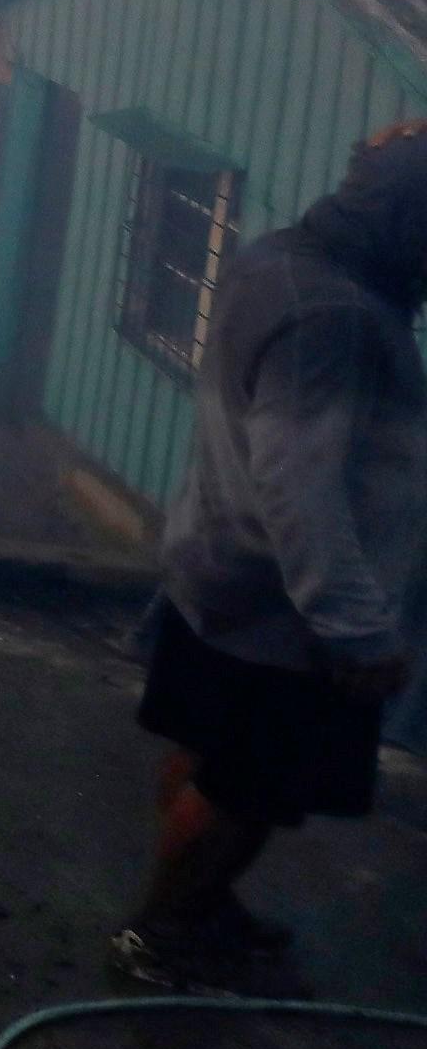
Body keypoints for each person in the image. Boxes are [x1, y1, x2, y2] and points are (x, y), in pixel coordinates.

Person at [115, 121, 427, 985]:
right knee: (244, 793)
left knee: (211, 757)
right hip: (283, 615)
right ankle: (160, 932)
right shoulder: (336, 315)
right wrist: (355, 628)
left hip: (223, 571)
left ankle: (200, 905)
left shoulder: (282, 259)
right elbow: (300, 485)